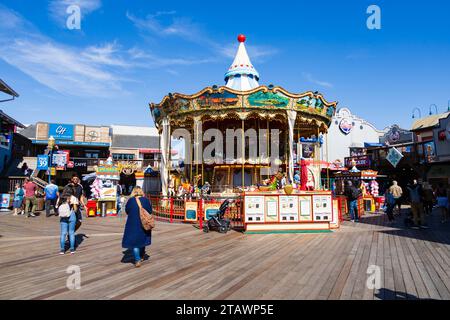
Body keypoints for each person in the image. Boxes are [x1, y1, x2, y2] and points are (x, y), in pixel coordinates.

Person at [122, 186, 152, 268]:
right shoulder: (146, 200)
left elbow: (127, 210)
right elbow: (150, 211)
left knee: (135, 243)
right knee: (142, 239)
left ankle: (137, 259)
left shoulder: (131, 201)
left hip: (133, 223)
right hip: (144, 223)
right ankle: (142, 255)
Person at [57, 187, 76, 254]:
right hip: (71, 216)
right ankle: (72, 249)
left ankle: (62, 250)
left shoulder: (60, 197)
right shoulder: (73, 197)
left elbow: (57, 206)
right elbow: (75, 209)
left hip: (63, 217)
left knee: (63, 233)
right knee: (71, 233)